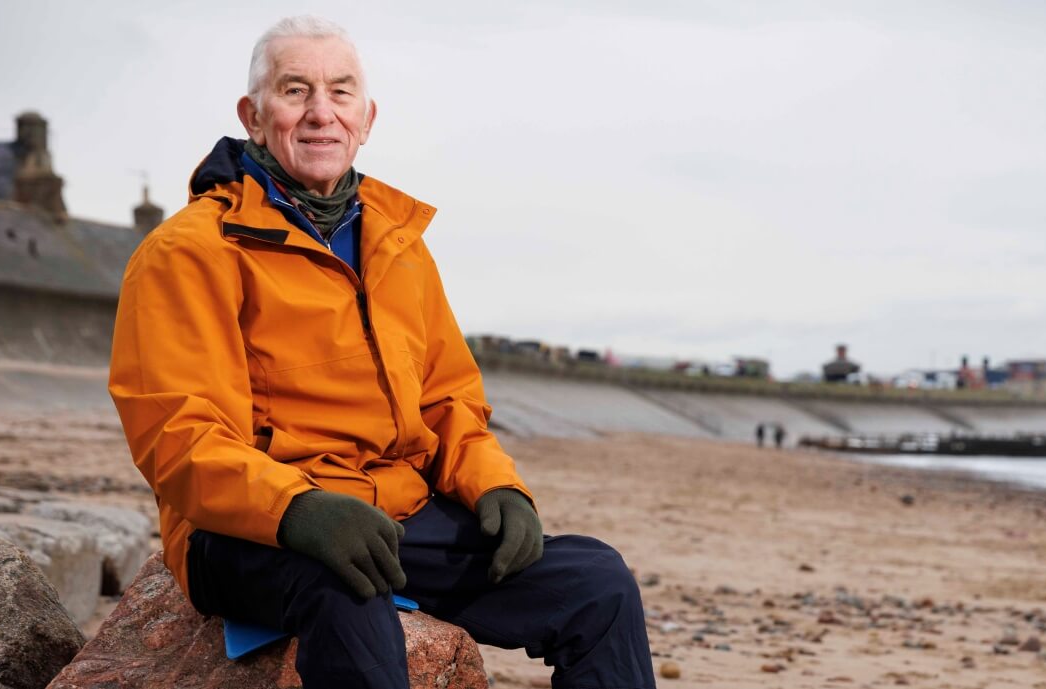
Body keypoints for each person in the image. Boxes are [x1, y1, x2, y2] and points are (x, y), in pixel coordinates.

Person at [108, 16, 654, 688]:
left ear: (366, 119)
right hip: (251, 530)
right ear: (253, 115)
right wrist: (298, 510)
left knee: (597, 582)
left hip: (394, 514)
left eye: (341, 93)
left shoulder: (400, 244)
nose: (320, 114)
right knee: (351, 599)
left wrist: (497, 484)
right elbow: (178, 437)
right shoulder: (188, 252)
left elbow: (448, 398)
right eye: (295, 90)